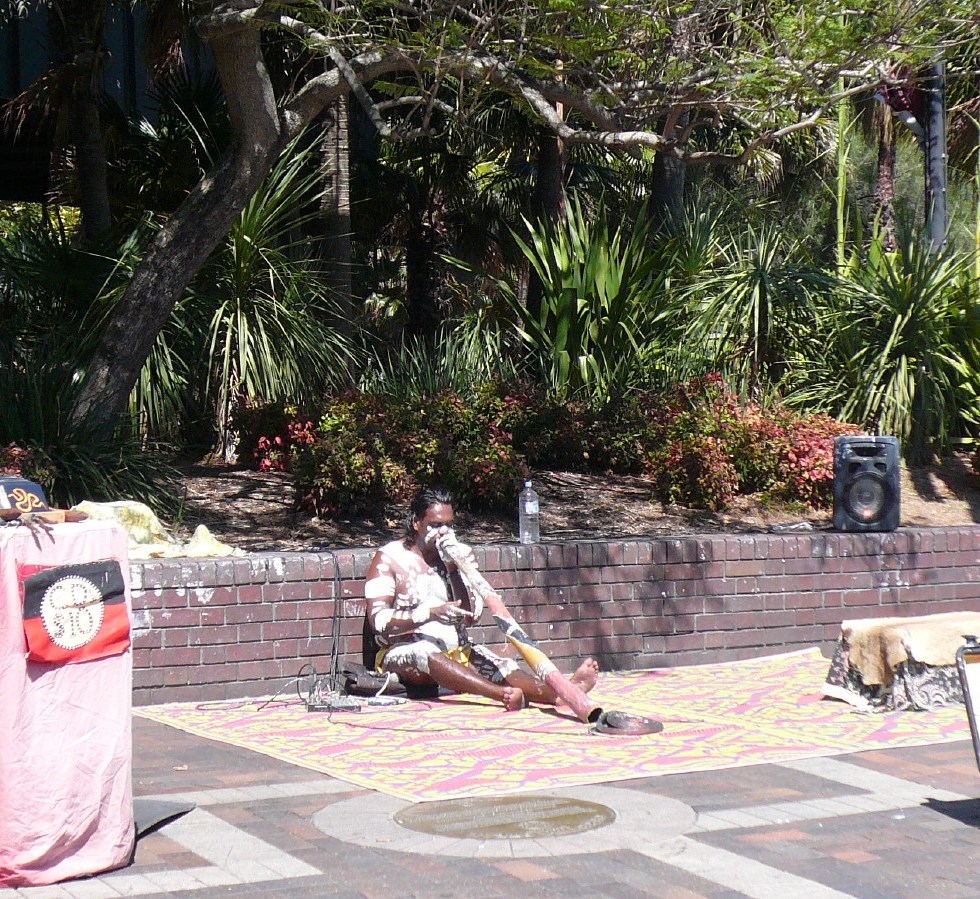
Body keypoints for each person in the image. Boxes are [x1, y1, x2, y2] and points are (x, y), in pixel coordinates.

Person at [363, 486, 599, 712]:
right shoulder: (390, 558)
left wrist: (453, 568)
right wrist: (429, 613)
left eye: (448, 525)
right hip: (402, 654)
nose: (443, 532)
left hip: (458, 652)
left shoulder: (461, 554)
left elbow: (471, 616)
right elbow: (378, 621)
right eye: (435, 525)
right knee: (424, 651)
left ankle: (562, 693)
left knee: (503, 666)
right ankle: (499, 694)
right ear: (416, 523)